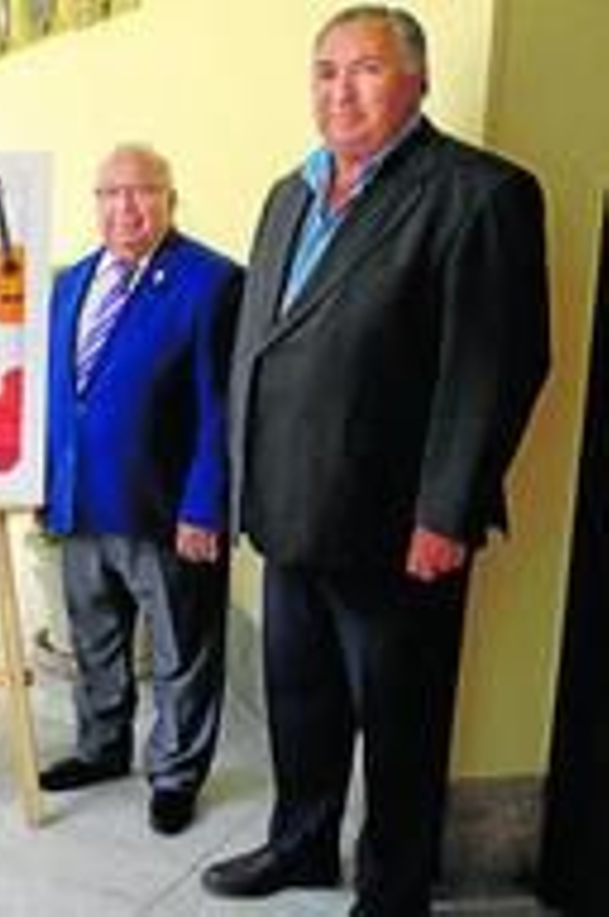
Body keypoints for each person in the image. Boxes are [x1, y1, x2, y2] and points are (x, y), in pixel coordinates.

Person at [202, 7, 550, 915]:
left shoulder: (478, 194)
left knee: (401, 725)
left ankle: (395, 889)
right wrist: (243, 480)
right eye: (324, 71)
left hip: (398, 529)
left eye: (365, 69)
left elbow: (496, 368)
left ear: (418, 81)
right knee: (303, 705)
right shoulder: (291, 191)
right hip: (289, 508)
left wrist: (448, 511)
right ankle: (301, 844)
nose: (339, 90)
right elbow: (264, 345)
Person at [37, 144, 241, 835]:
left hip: (165, 510)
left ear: (170, 198)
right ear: (94, 203)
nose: (125, 207)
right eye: (110, 193)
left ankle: (176, 772)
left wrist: (205, 504)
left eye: (142, 191)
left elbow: (221, 408)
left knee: (183, 648)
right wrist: (45, 485)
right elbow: (61, 393)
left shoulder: (211, 282)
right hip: (81, 501)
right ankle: (101, 746)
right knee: (94, 637)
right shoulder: (72, 282)